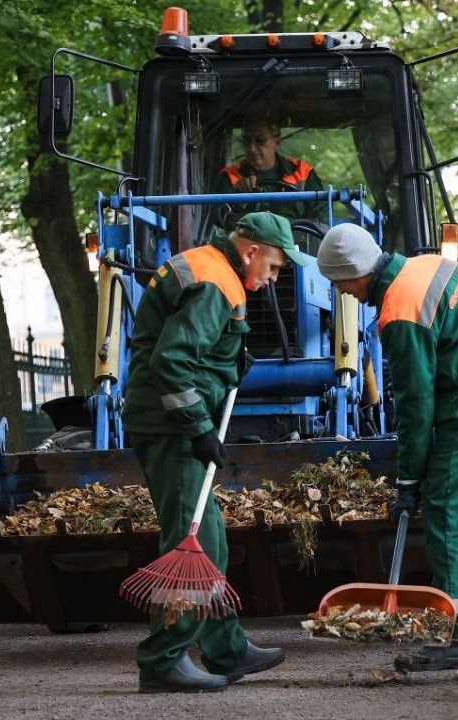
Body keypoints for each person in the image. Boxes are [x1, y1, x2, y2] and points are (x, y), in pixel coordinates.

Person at [315, 223, 458, 672]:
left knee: (448, 516)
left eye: (341, 284)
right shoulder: (429, 265)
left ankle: (457, 637)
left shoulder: (399, 310)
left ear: (356, 272)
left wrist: (409, 481)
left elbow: (417, 406)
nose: (346, 294)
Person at [122, 211, 311, 693]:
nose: (272, 279)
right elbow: (172, 360)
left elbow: (188, 350)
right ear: (250, 251)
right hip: (171, 427)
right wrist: (198, 426)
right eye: (272, 267)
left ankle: (226, 649)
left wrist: (231, 359)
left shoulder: (212, 268)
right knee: (195, 542)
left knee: (213, 538)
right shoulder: (217, 284)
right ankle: (163, 660)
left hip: (170, 422)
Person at [220, 117, 324, 220]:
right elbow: (220, 220)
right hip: (248, 236)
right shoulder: (230, 177)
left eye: (259, 140)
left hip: (295, 235)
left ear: (277, 141)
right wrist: (239, 203)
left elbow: (322, 219)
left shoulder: (303, 173)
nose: (251, 148)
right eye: (246, 141)